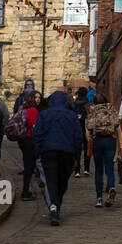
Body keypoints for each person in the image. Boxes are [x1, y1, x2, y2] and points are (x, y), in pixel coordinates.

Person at [30, 90, 82, 226]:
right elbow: (78, 137)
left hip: (48, 152)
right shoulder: (72, 116)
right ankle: (55, 206)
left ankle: (54, 206)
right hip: (67, 153)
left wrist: (37, 153)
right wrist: (77, 155)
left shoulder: (44, 115)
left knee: (51, 180)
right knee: (62, 182)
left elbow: (37, 135)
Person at [86, 90, 122, 208]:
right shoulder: (111, 110)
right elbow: (118, 128)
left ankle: (99, 199)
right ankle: (111, 187)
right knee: (109, 167)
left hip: (97, 141)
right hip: (110, 141)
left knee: (98, 170)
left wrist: (90, 142)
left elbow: (87, 130)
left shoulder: (92, 111)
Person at [16, 90, 44, 201]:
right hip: (29, 140)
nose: (38, 99)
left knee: (29, 167)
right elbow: (34, 127)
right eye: (36, 97)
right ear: (31, 98)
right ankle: (25, 192)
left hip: (24, 139)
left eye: (39, 97)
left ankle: (26, 190)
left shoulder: (24, 108)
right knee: (29, 167)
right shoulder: (33, 110)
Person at [71, 86, 90, 178]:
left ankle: (77, 170)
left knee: (77, 150)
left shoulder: (74, 104)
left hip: (76, 129)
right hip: (86, 129)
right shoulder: (88, 104)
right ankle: (86, 169)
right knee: (87, 149)